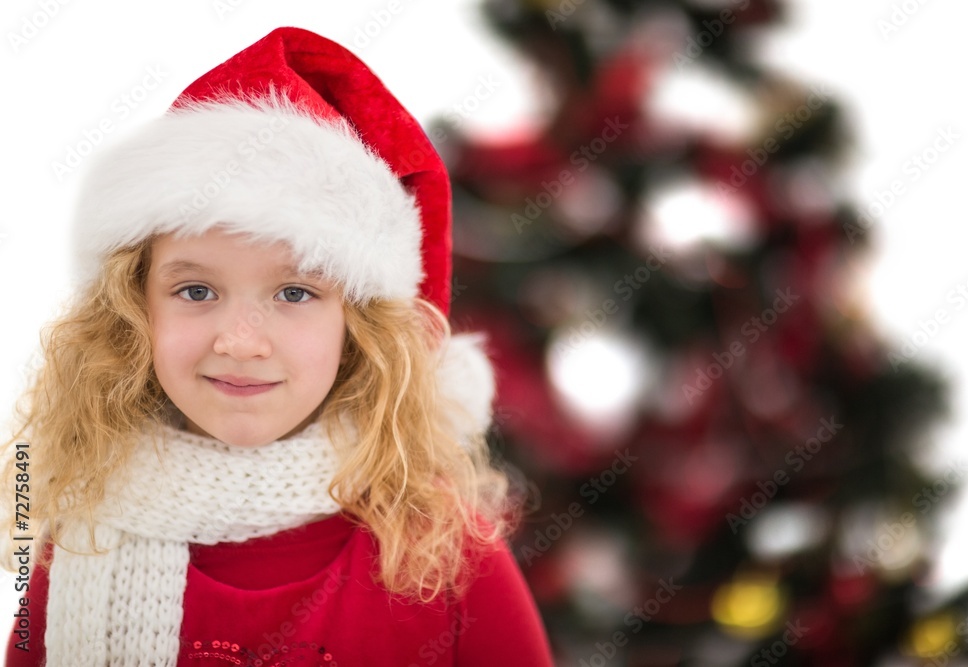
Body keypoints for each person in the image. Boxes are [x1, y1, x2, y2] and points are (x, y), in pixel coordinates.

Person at [0, 26, 554, 666]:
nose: (239, 343)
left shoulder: (441, 552)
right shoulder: (79, 531)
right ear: (133, 311)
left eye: (293, 294)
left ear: (359, 332)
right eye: (196, 291)